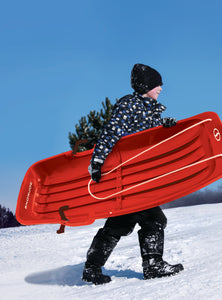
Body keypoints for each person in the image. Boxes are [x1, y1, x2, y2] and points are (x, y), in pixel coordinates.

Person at [82, 63, 184, 285]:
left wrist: (163, 127)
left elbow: (152, 143)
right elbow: (111, 132)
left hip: (140, 177)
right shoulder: (129, 105)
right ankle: (153, 265)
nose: (161, 89)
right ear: (146, 85)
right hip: (130, 176)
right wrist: (98, 161)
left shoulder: (152, 111)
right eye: (157, 85)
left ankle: (91, 267)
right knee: (155, 219)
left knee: (119, 223)